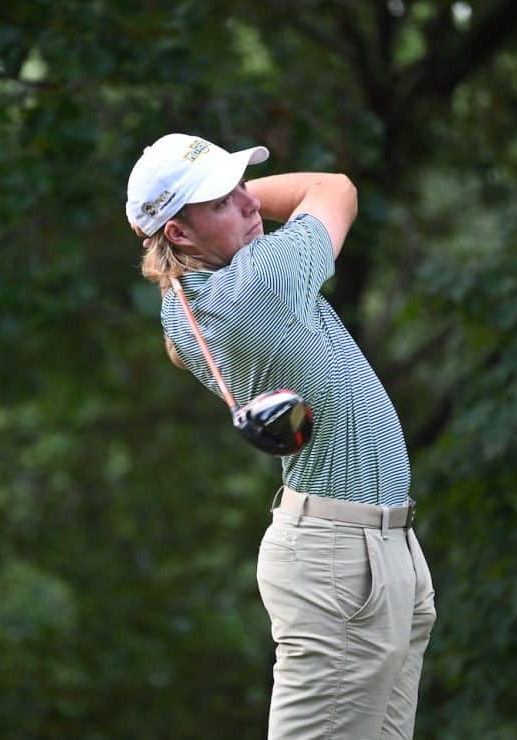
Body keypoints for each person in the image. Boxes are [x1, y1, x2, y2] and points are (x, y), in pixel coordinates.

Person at [125, 133, 436, 740]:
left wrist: (205, 209)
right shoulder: (258, 284)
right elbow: (334, 189)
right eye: (221, 201)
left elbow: (204, 236)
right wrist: (199, 213)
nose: (247, 204)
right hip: (342, 564)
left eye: (242, 186)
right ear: (180, 235)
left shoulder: (192, 297)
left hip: (377, 550)